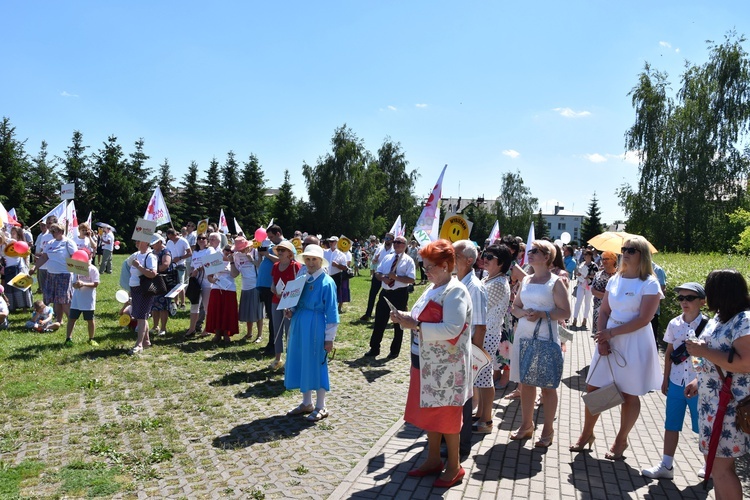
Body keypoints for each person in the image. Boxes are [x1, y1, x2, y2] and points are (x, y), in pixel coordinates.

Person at [389, 239, 472, 489]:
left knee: (447, 418)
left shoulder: (455, 290)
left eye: (430, 267)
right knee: (430, 414)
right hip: (426, 362)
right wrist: (405, 316)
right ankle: (434, 459)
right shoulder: (433, 287)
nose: (426, 272)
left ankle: (455, 466)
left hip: (447, 368)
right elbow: (420, 316)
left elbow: (452, 328)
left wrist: (414, 325)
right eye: (423, 266)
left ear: (447, 265)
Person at [571, 236, 663, 459]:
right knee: (594, 387)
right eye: (624, 249)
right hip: (609, 337)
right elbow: (604, 311)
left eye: (632, 249)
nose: (626, 252)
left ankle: (621, 441)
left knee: (630, 393)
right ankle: (586, 434)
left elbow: (644, 318)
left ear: (642, 255)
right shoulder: (616, 279)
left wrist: (610, 334)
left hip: (634, 341)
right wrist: (603, 338)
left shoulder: (649, 283)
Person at [685, 270, 750, 499]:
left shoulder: (744, 320)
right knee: (715, 466)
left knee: (721, 469)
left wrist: (702, 350)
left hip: (730, 406)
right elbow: (716, 359)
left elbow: (745, 364)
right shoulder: (720, 317)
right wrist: (698, 380)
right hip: (712, 402)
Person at [642, 282, 707, 480]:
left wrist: (699, 380)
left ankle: (710, 465)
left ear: (702, 302)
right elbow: (670, 352)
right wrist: (665, 378)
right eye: (681, 298)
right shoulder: (674, 323)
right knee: (671, 424)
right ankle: (666, 465)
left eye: (690, 298)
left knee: (703, 427)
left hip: (700, 385)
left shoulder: (709, 326)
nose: (684, 302)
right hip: (677, 382)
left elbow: (711, 358)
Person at [508, 240, 571, 447]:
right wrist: (523, 312)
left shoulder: (555, 282)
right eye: (529, 251)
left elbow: (566, 312)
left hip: (545, 337)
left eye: (535, 251)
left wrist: (543, 314)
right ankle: (526, 425)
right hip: (524, 335)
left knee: (546, 386)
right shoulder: (526, 281)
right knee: (526, 383)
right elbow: (515, 306)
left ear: (547, 257)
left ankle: (548, 429)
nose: (530, 254)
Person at [284, 244, 339, 422]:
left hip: (316, 325)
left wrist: (329, 338)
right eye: (307, 259)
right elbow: (294, 298)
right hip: (299, 322)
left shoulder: (327, 282)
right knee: (302, 360)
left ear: (320, 261)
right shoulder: (302, 276)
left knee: (316, 362)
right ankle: (306, 402)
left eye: (314, 259)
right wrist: (290, 309)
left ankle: (321, 405)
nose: (310, 262)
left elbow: (332, 312)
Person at [452, 240, 487, 455]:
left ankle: (461, 445)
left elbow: (481, 327)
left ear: (469, 260)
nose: (450, 259)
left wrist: (475, 358)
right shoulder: (458, 281)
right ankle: (452, 438)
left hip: (467, 352)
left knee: (464, 400)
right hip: (455, 351)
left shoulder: (475, 287)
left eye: (454, 256)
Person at [474, 244, 511, 434]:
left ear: (502, 263)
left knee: (485, 378)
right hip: (485, 332)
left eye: (490, 256)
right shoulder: (492, 278)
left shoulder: (497, 283)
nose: (485, 258)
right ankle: (480, 413)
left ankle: (486, 420)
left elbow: (479, 308)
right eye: (484, 255)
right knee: (481, 377)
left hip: (488, 334)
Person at [364, 235, 416, 359]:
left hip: (400, 294)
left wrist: (396, 277)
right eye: (395, 242)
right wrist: (383, 278)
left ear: (405, 245)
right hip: (385, 292)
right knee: (379, 321)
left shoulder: (408, 260)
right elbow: (378, 272)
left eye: (400, 242)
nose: (397, 244)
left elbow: (411, 279)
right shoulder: (387, 258)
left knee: (398, 323)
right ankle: (374, 348)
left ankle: (394, 350)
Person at [30, 222, 77, 324]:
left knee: (64, 300)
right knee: (56, 300)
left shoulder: (68, 242)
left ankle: (71, 319)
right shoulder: (51, 243)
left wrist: (78, 275)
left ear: (61, 231)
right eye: (51, 231)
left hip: (64, 275)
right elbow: (44, 257)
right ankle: (59, 320)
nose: (52, 233)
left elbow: (75, 258)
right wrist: (34, 267)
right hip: (51, 274)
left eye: (54, 231)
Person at [270, 240, 301, 369]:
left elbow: (299, 285)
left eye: (283, 250)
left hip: (290, 302)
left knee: (290, 331)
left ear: (290, 253)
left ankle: (291, 360)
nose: (280, 252)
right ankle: (278, 359)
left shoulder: (296, 266)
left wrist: (287, 294)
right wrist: (275, 290)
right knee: (277, 329)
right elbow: (272, 284)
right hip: (276, 301)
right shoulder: (276, 265)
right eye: (279, 250)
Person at [127, 239, 159, 354]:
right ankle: (146, 341)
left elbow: (153, 273)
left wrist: (139, 266)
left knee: (141, 317)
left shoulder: (150, 256)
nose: (136, 243)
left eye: (139, 241)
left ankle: (139, 344)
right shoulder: (136, 254)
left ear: (146, 242)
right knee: (141, 316)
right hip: (135, 288)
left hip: (144, 289)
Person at [205, 240, 240, 344]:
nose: (228, 252)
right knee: (216, 311)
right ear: (223, 250)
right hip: (216, 288)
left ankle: (226, 333)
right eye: (226, 250)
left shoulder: (235, 261)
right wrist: (213, 281)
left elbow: (234, 275)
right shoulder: (215, 259)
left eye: (231, 251)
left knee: (227, 312)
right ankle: (217, 333)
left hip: (229, 289)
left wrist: (232, 261)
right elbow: (209, 277)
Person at [65, 249, 100, 346]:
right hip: (76, 299)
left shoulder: (93, 269)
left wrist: (84, 283)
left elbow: (96, 284)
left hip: (88, 299)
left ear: (89, 256)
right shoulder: (76, 269)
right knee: (72, 318)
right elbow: (73, 283)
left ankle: (91, 338)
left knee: (90, 319)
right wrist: (75, 285)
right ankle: (68, 338)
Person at [232, 236, 263, 343]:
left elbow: (260, 265)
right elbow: (236, 272)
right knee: (247, 310)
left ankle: (259, 335)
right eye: (239, 249)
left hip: (255, 285)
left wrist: (252, 259)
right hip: (245, 286)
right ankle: (249, 333)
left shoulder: (255, 252)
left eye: (242, 248)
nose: (241, 251)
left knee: (258, 311)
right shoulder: (237, 256)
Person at [185, 233, 213, 338]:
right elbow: (192, 266)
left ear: (207, 240)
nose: (201, 240)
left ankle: (207, 328)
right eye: (199, 238)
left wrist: (199, 268)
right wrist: (192, 271)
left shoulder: (210, 250)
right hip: (196, 283)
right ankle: (192, 328)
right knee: (194, 306)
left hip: (207, 282)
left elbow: (212, 263)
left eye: (203, 238)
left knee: (206, 306)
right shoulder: (195, 253)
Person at [360, 234, 394, 321]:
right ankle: (368, 314)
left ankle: (388, 315)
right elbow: (374, 261)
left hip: (389, 276)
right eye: (385, 238)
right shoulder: (380, 248)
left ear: (392, 240)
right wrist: (374, 260)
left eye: (389, 239)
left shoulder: (394, 250)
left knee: (388, 296)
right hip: (378, 274)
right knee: (372, 294)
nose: (387, 240)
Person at [2, 229, 33, 312]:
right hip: (8, 268)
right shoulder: (1, 246)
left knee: (21, 287)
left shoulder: (12, 241)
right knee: (10, 289)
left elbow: (23, 251)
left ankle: (25, 307)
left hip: (19, 266)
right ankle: (12, 307)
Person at [149, 235, 174, 337]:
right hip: (154, 280)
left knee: (163, 305)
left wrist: (153, 269)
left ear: (160, 242)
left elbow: (165, 265)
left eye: (154, 243)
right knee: (154, 305)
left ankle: (163, 328)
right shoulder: (152, 252)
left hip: (164, 282)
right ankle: (155, 326)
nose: (153, 245)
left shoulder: (166, 252)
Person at [591, 251, 617, 335]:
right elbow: (593, 291)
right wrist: (607, 297)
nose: (604, 261)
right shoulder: (598, 275)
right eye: (603, 259)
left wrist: (606, 297)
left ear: (614, 260)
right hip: (599, 309)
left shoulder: (619, 276)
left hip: (614, 309)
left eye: (607, 259)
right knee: (599, 335)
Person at [166, 228, 192, 309]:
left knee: (180, 284)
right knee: (173, 284)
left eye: (171, 237)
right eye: (169, 237)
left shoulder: (183, 241)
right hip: (171, 265)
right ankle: (176, 302)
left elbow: (190, 253)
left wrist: (180, 258)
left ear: (175, 235)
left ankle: (183, 303)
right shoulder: (169, 242)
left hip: (181, 265)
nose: (170, 239)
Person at [572, 249, 597, 329]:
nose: (585, 256)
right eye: (584, 255)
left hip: (589, 285)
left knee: (587, 303)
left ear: (590, 256)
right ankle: (575, 319)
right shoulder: (582, 264)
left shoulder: (594, 265)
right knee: (578, 301)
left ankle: (585, 319)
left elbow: (596, 275)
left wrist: (589, 276)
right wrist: (578, 274)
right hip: (581, 284)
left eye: (586, 255)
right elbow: (579, 273)